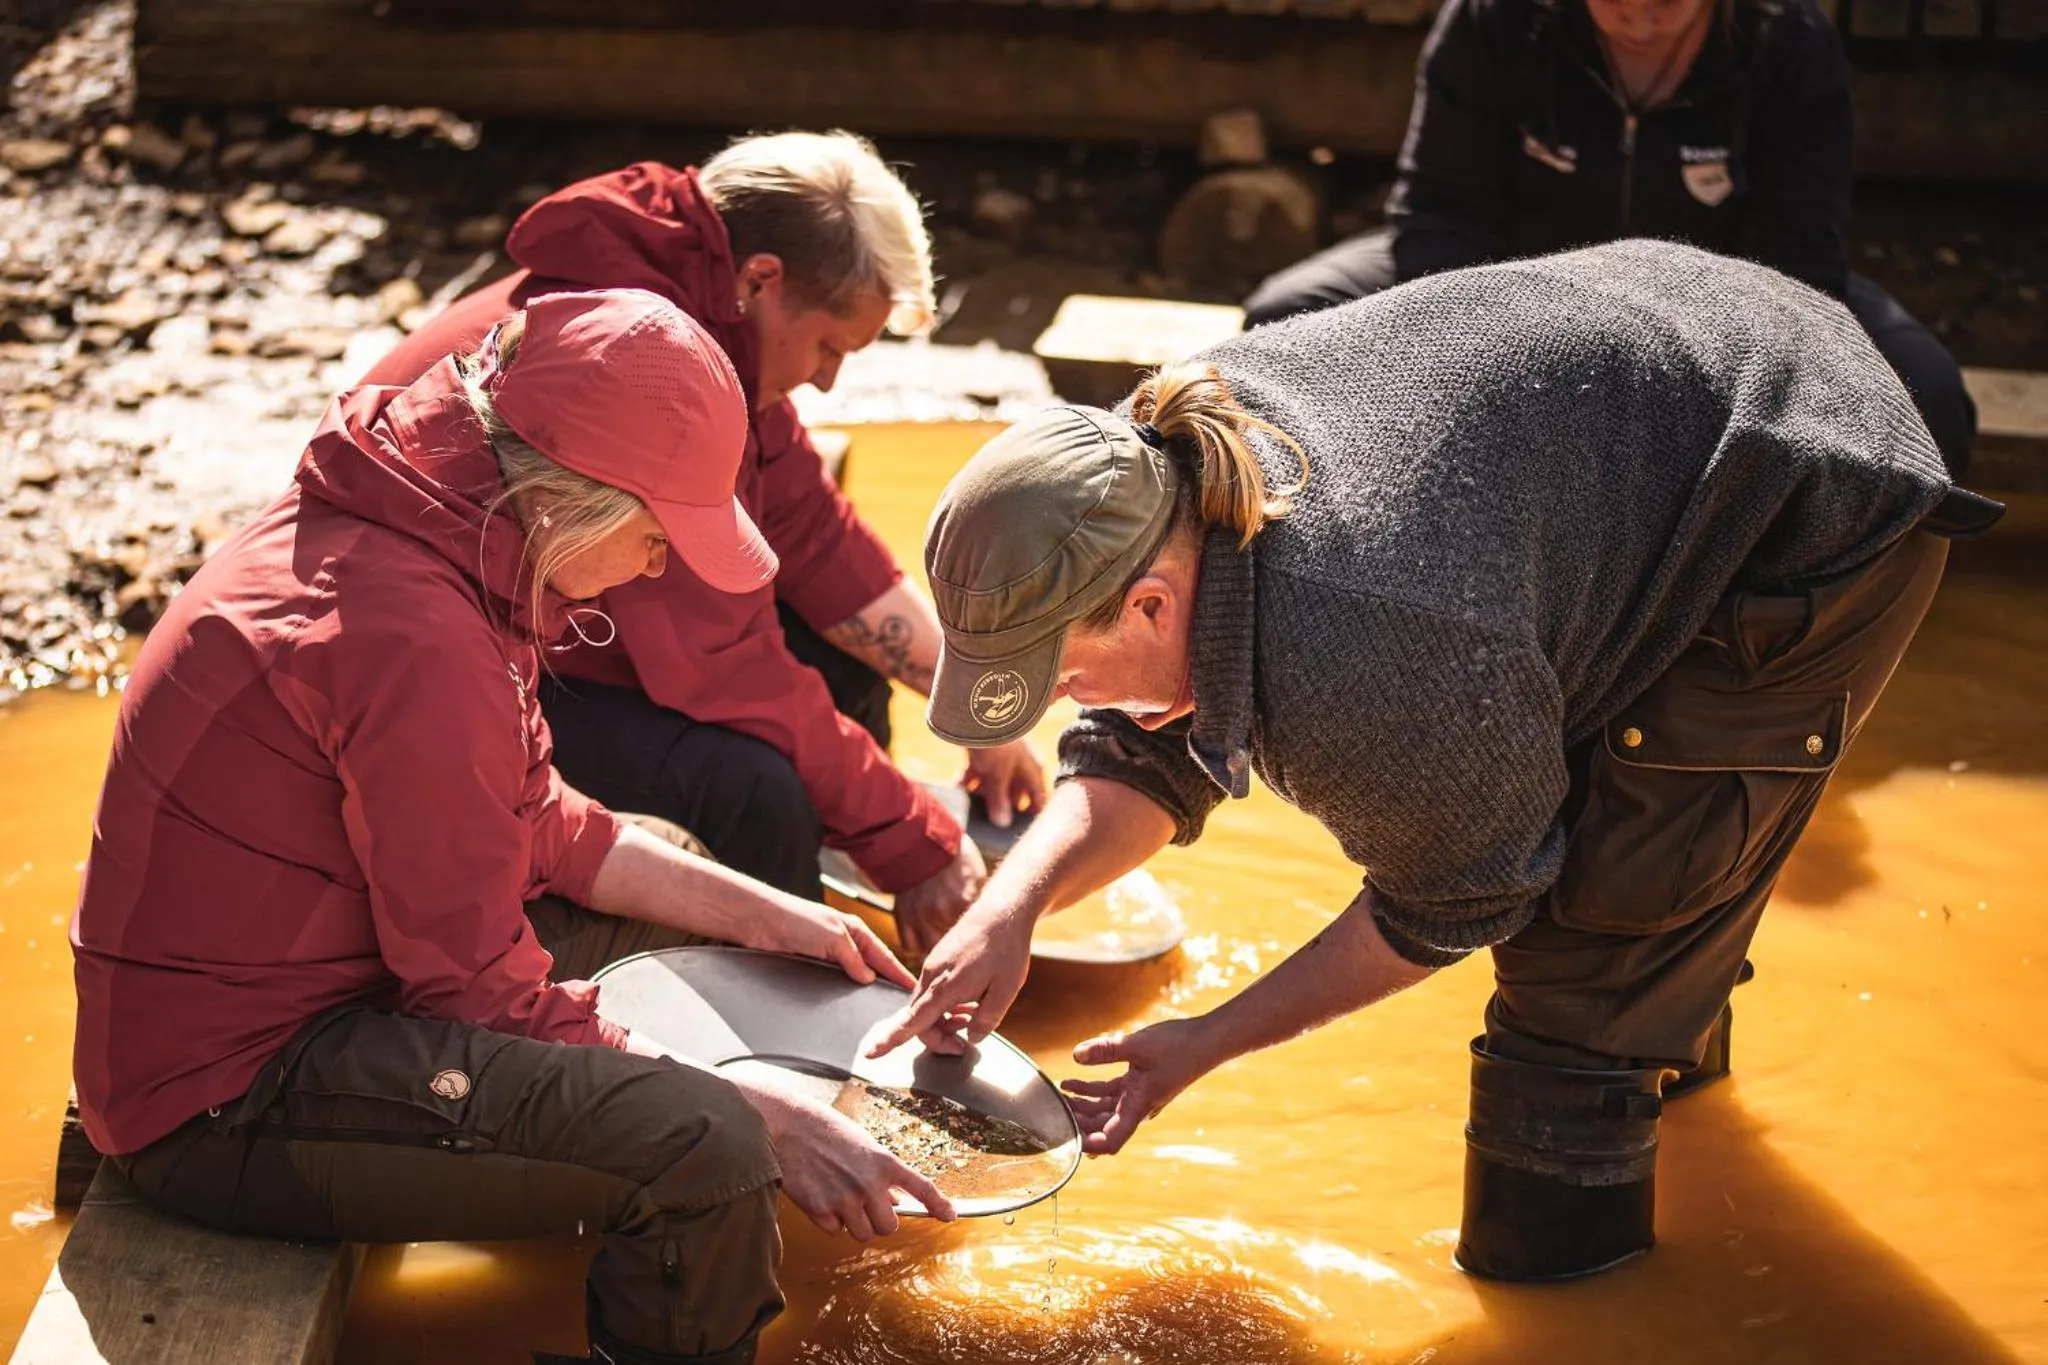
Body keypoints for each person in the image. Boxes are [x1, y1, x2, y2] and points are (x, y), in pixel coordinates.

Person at [871, 240, 2002, 1281]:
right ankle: (1673, 1039)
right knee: (1625, 876)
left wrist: (1203, 1043)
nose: (1064, 704)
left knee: (1582, 975)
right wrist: (1011, 907)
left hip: (1804, 486)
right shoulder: (1131, 473)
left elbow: (1462, 896)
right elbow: (1141, 746)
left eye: (1063, 675)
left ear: (1153, 602)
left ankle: (1579, 1293)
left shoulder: (1370, 640)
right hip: (1642, 412)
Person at [72, 289, 956, 1365]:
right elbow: (477, 994)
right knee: (708, 1148)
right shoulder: (413, 634)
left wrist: (781, 918)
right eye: (655, 536)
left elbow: (540, 822)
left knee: (693, 904)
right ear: (575, 497)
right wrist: (753, 1108)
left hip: (328, 990)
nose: (660, 567)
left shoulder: (439, 529)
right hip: (223, 1101)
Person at [366, 132, 1044, 953]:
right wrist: (912, 837)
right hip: (432, 679)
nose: (829, 379)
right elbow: (725, 668)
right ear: (761, 279)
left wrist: (970, 702)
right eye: (829, 346)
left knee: (841, 677)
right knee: (754, 791)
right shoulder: (643, 359)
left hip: (551, 617)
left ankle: (834, 893)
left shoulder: (696, 302)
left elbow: (812, 533)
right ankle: (791, 986)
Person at [1241, 0, 1978, 479]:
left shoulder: (1790, 40)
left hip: (1714, 312)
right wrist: (1493, 359)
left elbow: (1796, 264)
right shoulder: (1494, 21)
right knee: (1285, 319)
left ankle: (1822, 597)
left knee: (1929, 394)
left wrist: (1697, 386)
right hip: (1514, 287)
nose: (1640, 15)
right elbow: (1440, 216)